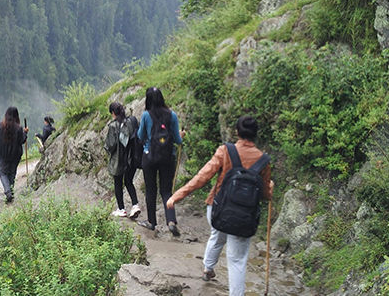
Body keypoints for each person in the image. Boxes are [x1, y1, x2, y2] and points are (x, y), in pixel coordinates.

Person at [166, 116, 273, 296]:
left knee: (217, 234)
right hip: (244, 218)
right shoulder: (263, 160)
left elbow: (202, 177)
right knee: (237, 260)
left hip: (218, 211)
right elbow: (264, 195)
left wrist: (177, 196)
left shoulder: (226, 151)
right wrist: (270, 189)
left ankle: (208, 268)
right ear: (256, 135)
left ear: (237, 132)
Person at [136, 87, 183, 236]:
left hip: (149, 157)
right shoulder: (172, 115)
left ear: (148, 100)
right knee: (166, 190)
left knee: (151, 189)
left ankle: (151, 222)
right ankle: (171, 220)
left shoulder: (146, 115)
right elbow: (177, 139)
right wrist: (182, 134)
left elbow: (140, 135)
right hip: (168, 157)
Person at [104, 102, 141, 218]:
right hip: (133, 157)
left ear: (113, 113)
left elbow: (110, 144)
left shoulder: (113, 126)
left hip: (119, 160)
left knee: (118, 183)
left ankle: (121, 209)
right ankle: (135, 205)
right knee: (129, 181)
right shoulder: (131, 121)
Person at [0, 106, 28, 203]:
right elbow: (22, 140)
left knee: (2, 173)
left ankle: (8, 192)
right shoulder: (19, 128)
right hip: (15, 155)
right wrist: (25, 133)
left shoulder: (0, 126)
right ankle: (11, 193)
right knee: (12, 173)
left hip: (3, 154)